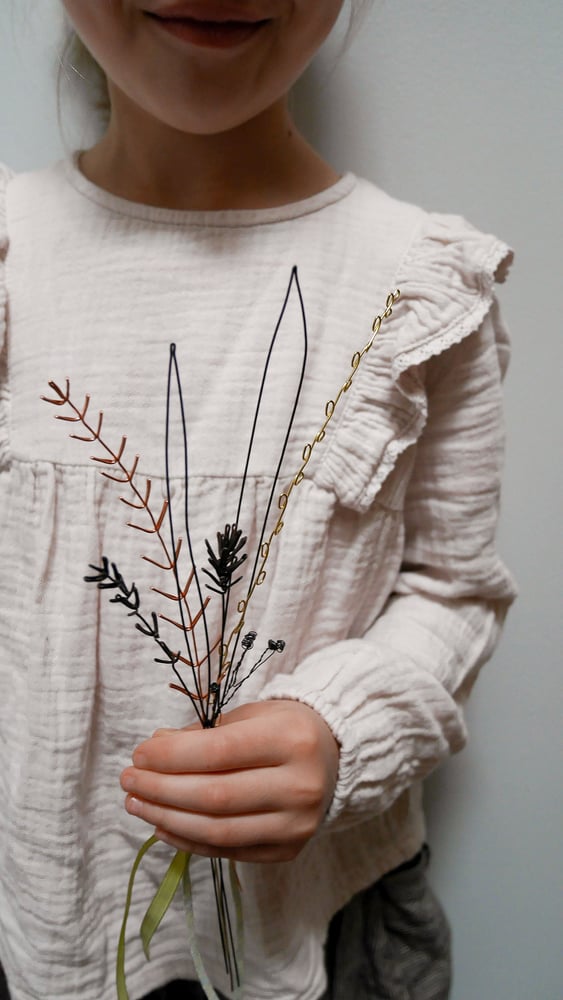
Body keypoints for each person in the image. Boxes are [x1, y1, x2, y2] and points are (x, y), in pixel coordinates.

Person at [0, 2, 517, 999]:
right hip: (38, 909)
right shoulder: (12, 263)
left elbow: (455, 589)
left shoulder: (418, 286)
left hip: (323, 925)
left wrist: (344, 733)